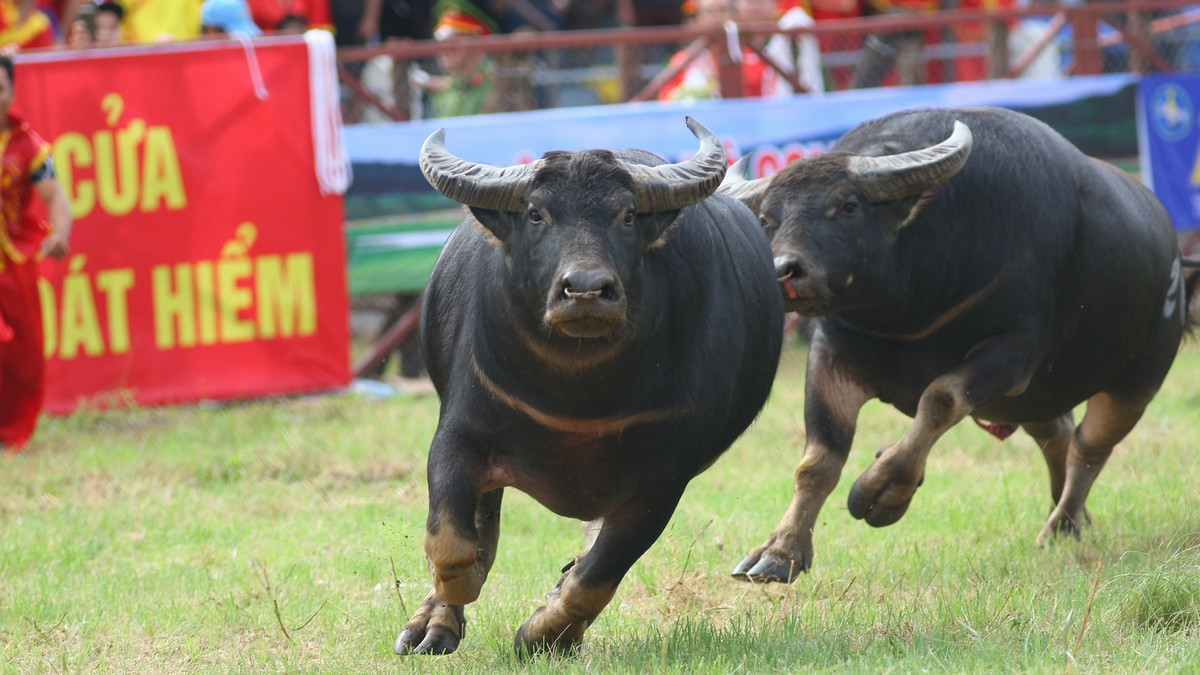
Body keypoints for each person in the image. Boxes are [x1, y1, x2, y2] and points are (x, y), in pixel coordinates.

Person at [0, 54, 73, 452]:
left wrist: (60, 233)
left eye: (0, 88)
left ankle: (10, 434)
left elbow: (56, 197)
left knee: (25, 357)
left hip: (14, 260)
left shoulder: (29, 146)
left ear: (11, 92)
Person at [658, 0, 824, 102]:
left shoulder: (756, 57)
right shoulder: (682, 62)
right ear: (698, 19)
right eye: (709, 11)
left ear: (735, 16)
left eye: (722, 10)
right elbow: (667, 101)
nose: (716, 17)